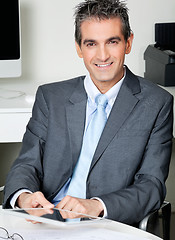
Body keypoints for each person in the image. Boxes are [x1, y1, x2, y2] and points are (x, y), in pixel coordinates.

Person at [3, 0, 173, 226]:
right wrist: (24, 197)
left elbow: (152, 186)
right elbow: (26, 164)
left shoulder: (157, 103)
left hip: (105, 224)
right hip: (43, 221)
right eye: (91, 43)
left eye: (112, 42)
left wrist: (96, 205)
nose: (102, 56)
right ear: (78, 47)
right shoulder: (50, 97)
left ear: (128, 42)